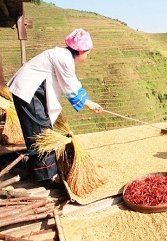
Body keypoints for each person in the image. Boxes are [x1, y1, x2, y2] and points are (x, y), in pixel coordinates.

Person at [7, 28, 104, 187]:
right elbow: (71, 87)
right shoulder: (64, 58)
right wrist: (90, 104)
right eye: (87, 52)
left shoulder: (63, 56)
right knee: (41, 131)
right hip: (30, 91)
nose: (87, 56)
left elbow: (70, 84)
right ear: (80, 51)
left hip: (31, 90)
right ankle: (48, 177)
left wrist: (89, 103)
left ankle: (40, 170)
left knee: (39, 129)